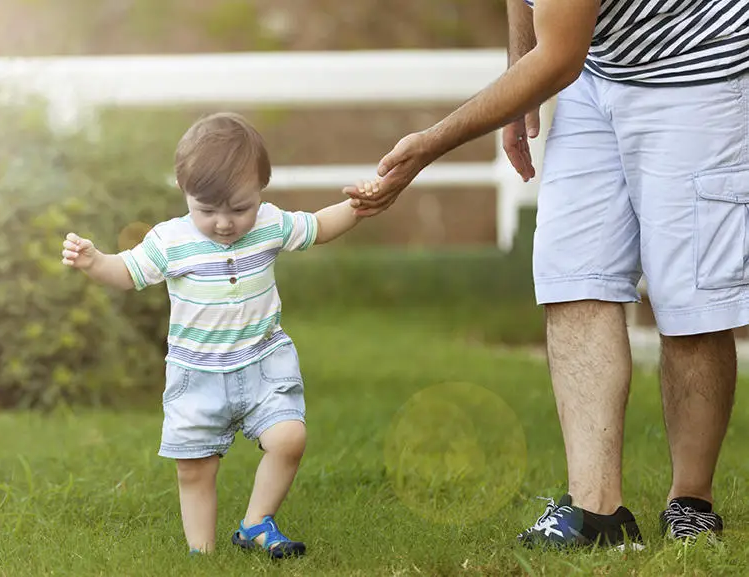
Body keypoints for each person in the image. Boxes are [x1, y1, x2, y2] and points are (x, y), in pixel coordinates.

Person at [344, 0, 749, 550]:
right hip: (598, 70)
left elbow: (560, 56)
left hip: (698, 70)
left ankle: (691, 502)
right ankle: (597, 512)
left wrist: (429, 146)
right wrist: (520, 75)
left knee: (691, 302)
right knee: (572, 274)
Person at [62, 112, 375, 557]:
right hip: (197, 374)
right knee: (194, 467)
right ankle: (202, 553)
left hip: (264, 361)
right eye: (207, 210)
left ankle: (255, 523)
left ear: (261, 190)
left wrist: (357, 208)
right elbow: (128, 272)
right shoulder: (170, 240)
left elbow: (319, 227)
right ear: (183, 190)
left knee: (289, 439)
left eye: (239, 208)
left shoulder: (268, 224)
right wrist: (95, 262)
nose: (224, 223)